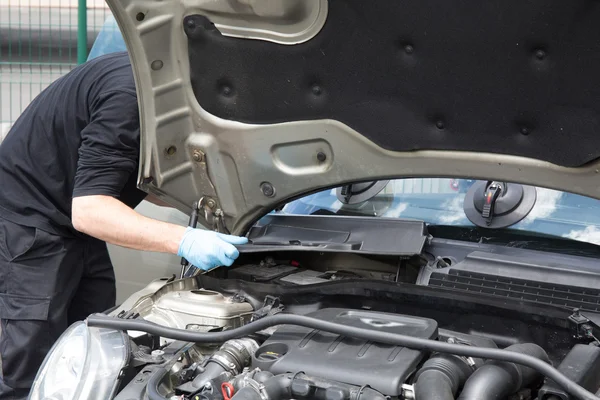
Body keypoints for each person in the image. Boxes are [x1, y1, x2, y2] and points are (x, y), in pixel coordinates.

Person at [0, 51, 248, 399]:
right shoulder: (129, 98)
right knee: (32, 361)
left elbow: (142, 181)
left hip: (74, 221)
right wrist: (184, 239)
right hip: (30, 221)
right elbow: (89, 209)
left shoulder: (167, 97)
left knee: (95, 347)